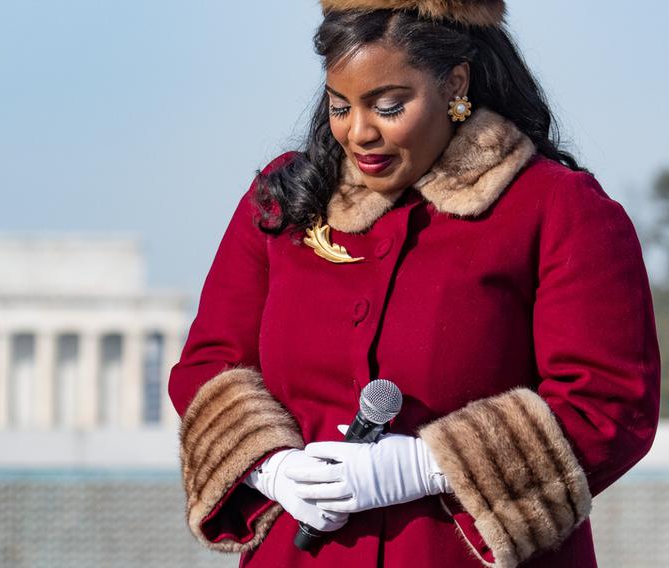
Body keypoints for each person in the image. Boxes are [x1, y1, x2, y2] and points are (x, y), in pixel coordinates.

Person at [168, 1, 661, 566]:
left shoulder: (558, 207)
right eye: (339, 106)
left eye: (388, 105)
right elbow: (208, 365)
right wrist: (271, 466)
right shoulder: (284, 198)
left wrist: (428, 465)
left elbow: (608, 404)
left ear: (455, 83)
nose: (359, 132)